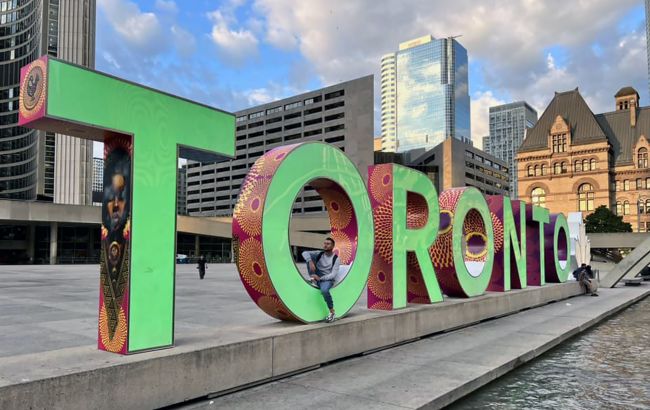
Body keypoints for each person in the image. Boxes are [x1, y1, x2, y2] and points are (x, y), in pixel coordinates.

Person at [302, 237, 341, 323]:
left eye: (328, 244)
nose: (325, 245)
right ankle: (313, 278)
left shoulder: (336, 259)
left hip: (326, 279)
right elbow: (304, 253)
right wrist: (310, 261)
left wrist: (320, 278)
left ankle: (332, 312)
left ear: (333, 246)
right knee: (309, 258)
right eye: (325, 243)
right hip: (315, 275)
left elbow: (333, 275)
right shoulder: (319, 253)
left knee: (324, 290)